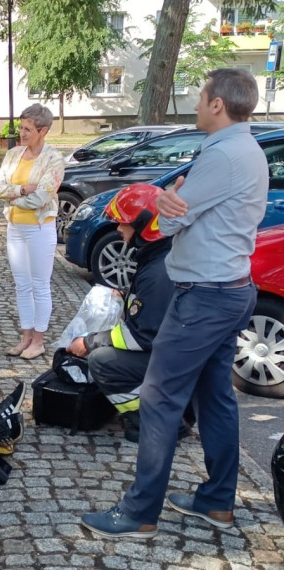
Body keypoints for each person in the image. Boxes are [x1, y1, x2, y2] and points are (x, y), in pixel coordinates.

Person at [81, 68, 267, 538]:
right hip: (231, 290)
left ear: (217, 104)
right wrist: (170, 204)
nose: (198, 102)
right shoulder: (249, 149)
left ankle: (140, 512)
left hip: (204, 296)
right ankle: (217, 500)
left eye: (202, 96)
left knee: (160, 399)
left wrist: (164, 205)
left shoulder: (222, 155)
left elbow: (165, 225)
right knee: (216, 397)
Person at [65, 184, 176, 442]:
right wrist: (126, 294)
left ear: (143, 225)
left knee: (102, 361)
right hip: (173, 354)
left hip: (169, 359)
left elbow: (142, 336)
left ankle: (150, 421)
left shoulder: (158, 272)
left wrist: (90, 341)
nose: (118, 228)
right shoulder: (159, 255)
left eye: (123, 223)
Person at [0, 104, 65, 360]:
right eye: (21, 127)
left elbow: (43, 197)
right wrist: (21, 191)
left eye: (28, 129)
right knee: (22, 284)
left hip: (40, 229)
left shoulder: (53, 160)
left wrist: (11, 196)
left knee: (40, 285)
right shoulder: (13, 155)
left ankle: (39, 340)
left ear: (43, 131)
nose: (22, 133)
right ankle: (25, 336)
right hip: (15, 227)